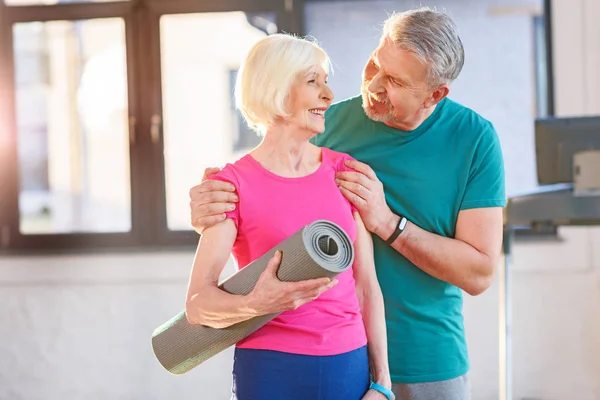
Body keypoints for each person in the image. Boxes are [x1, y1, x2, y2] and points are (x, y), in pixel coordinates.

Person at [188, 7, 506, 400]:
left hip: (428, 361)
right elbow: (267, 193)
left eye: (393, 81)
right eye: (375, 63)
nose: (372, 84)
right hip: (327, 361)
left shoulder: (474, 140)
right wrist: (213, 206)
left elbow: (479, 273)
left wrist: (388, 223)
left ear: (434, 94)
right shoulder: (324, 125)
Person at [184, 33, 392, 400]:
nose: (328, 95)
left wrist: (383, 385)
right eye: (313, 82)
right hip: (269, 366)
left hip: (348, 362)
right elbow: (198, 304)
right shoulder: (230, 185)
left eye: (326, 82)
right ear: (276, 89)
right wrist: (254, 304)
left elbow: (366, 286)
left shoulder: (345, 172)